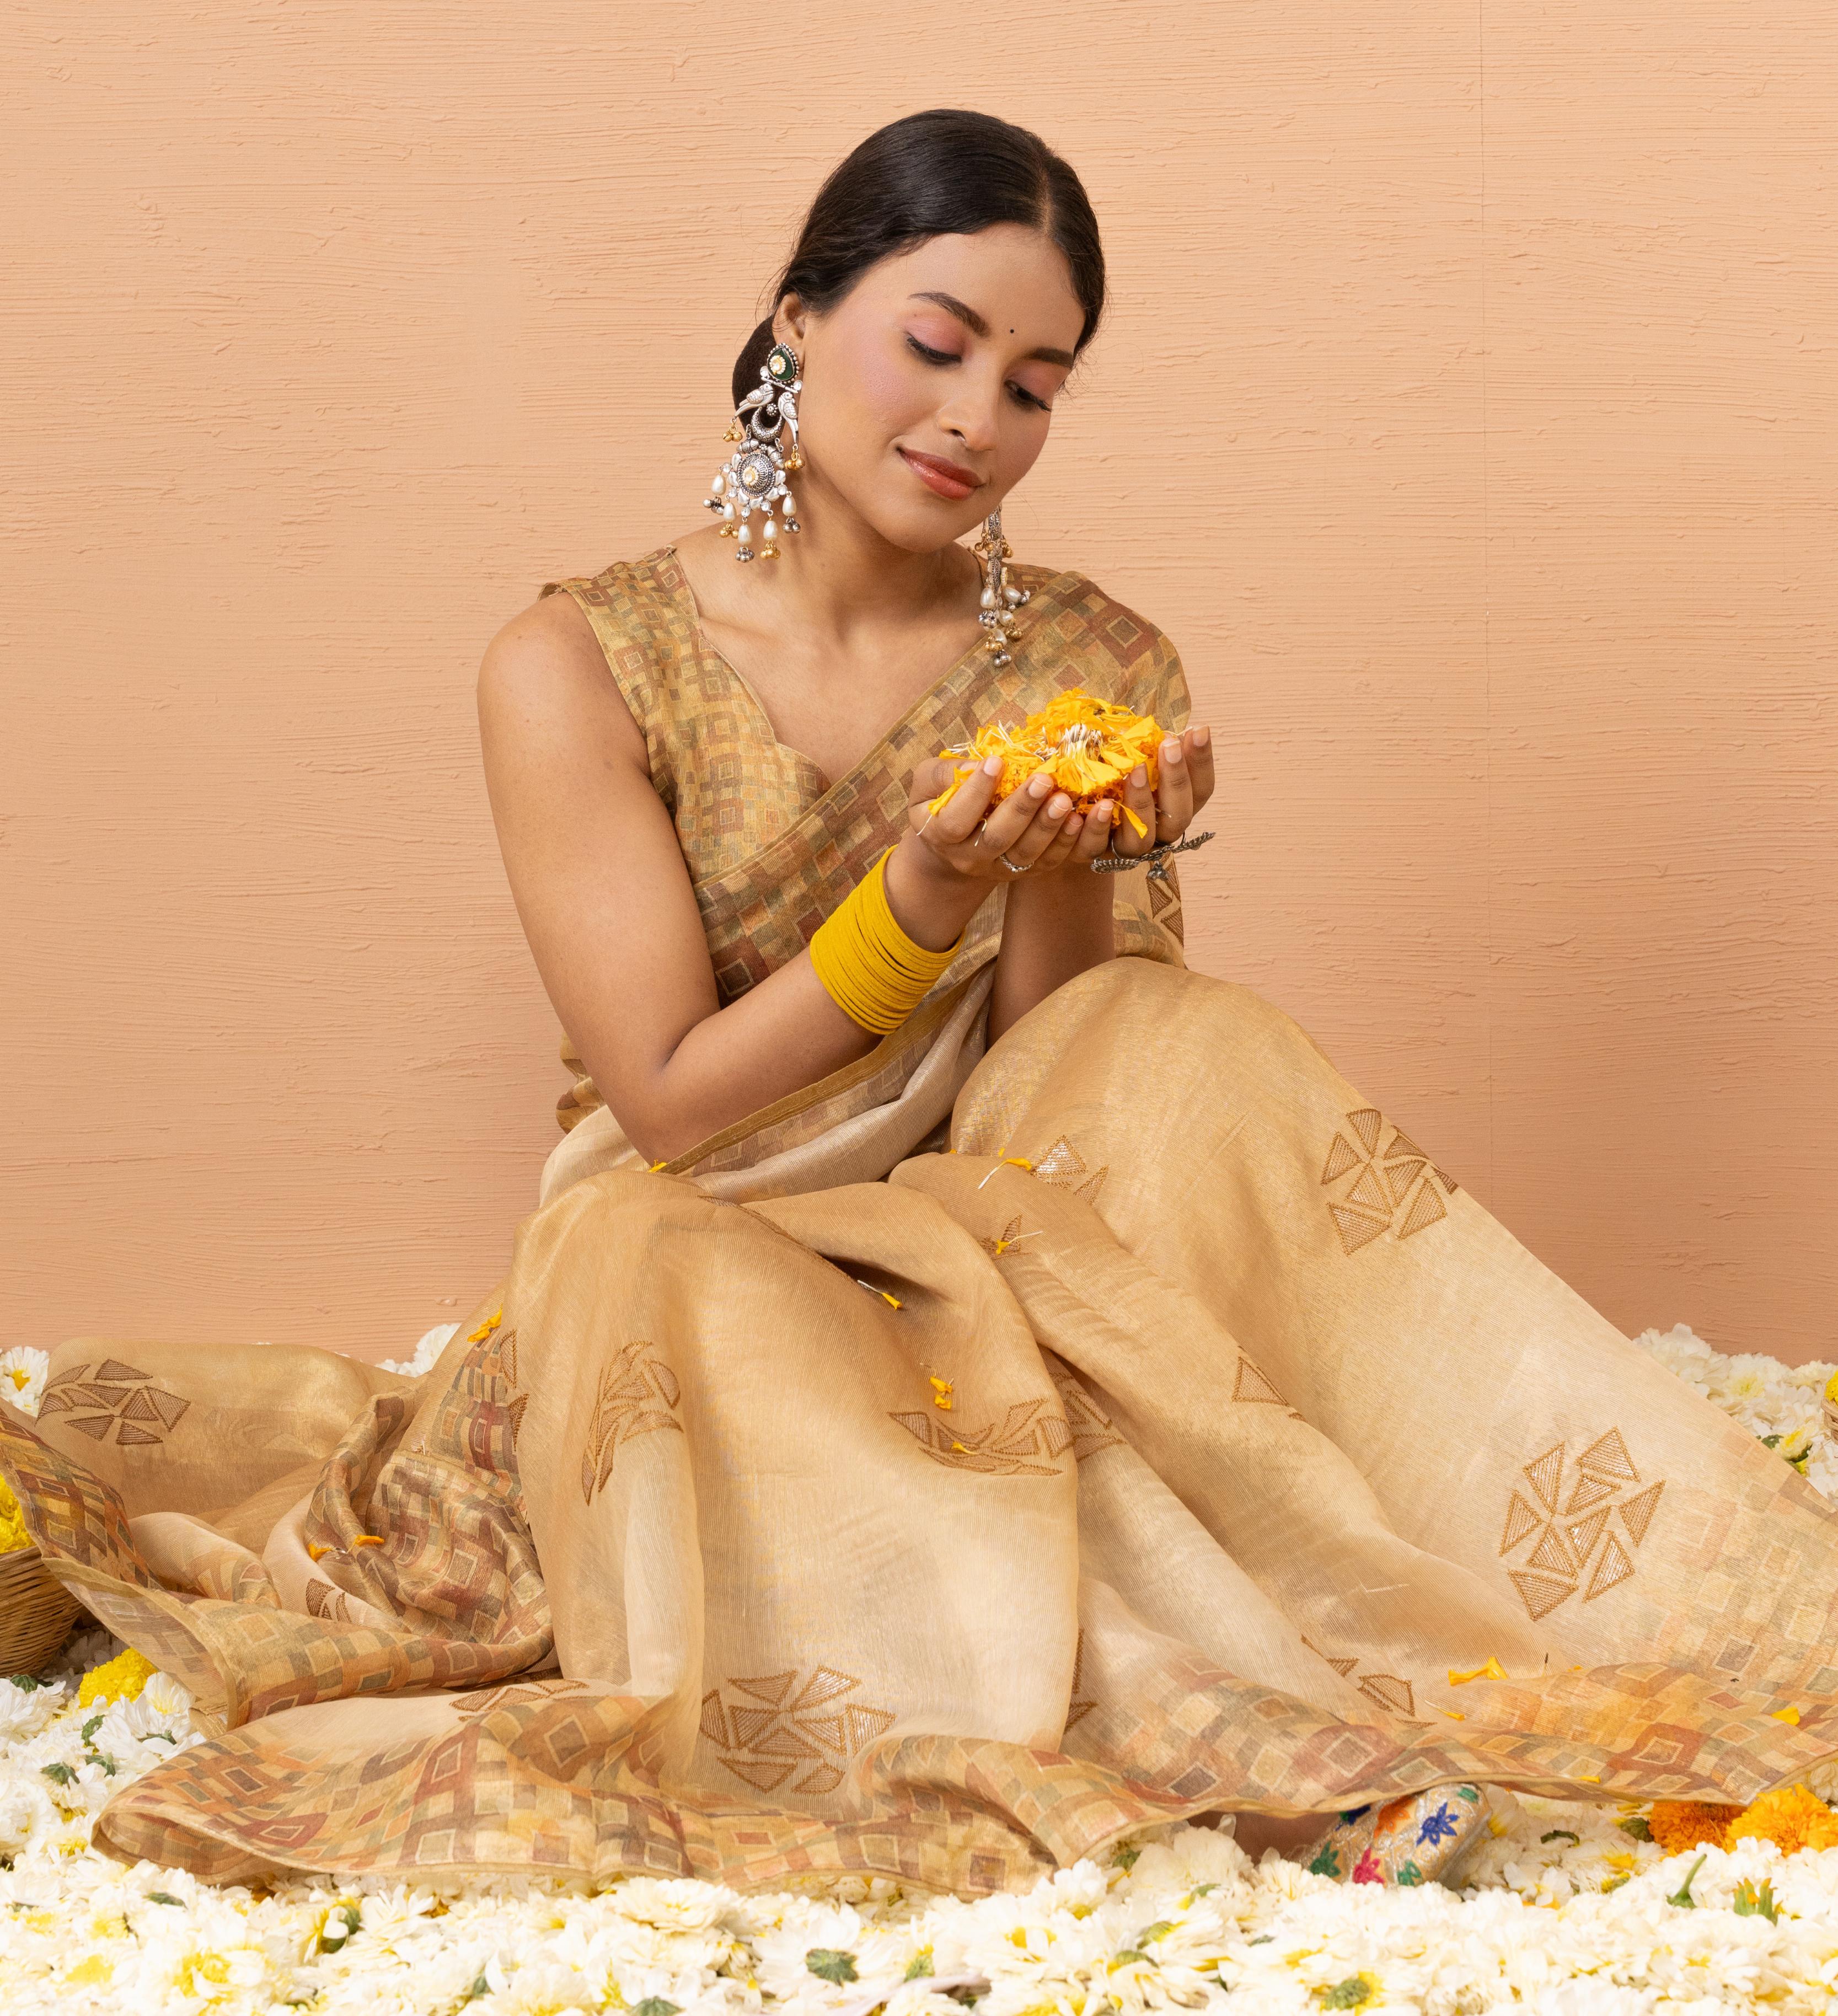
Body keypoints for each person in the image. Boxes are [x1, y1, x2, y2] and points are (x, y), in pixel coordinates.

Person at [4, 108, 1836, 1900]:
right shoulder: (579, 664)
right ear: (800, 317)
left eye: (1037, 384)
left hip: (1023, 1244)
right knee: (691, 1274)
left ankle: (1656, 1604)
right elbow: (667, 1104)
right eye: (938, 344)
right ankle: (1233, 1737)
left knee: (1185, 1037)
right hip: (704, 1232)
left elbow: (1072, 1076)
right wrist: (922, 893)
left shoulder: (1097, 661)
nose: (977, 421)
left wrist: (1069, 857)